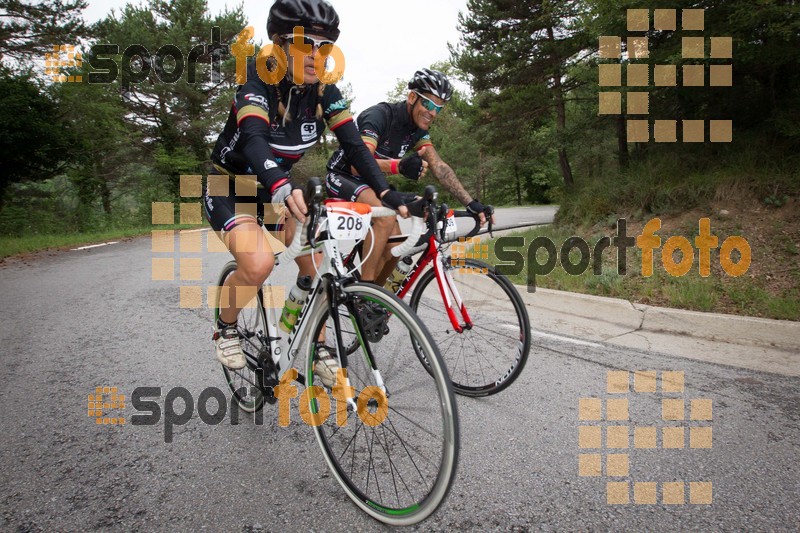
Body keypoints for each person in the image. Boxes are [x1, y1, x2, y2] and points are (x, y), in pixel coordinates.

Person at [204, 0, 407, 384]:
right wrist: (281, 185)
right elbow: (253, 139)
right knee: (259, 264)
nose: (318, 56)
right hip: (231, 186)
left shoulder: (324, 91)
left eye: (325, 47)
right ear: (280, 45)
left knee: (316, 270)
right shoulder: (256, 76)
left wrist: (386, 193)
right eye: (306, 44)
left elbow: (355, 146)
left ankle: (315, 342)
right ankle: (226, 326)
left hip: (274, 189)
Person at [325, 68, 494, 287]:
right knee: (385, 219)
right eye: (429, 105)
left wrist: (472, 203)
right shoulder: (379, 117)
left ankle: (377, 301)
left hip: (374, 186)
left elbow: (440, 167)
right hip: (343, 176)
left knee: (399, 247)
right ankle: (365, 294)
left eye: (439, 109)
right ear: (412, 97)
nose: (433, 113)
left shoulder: (417, 129)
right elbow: (359, 165)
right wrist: (400, 166)